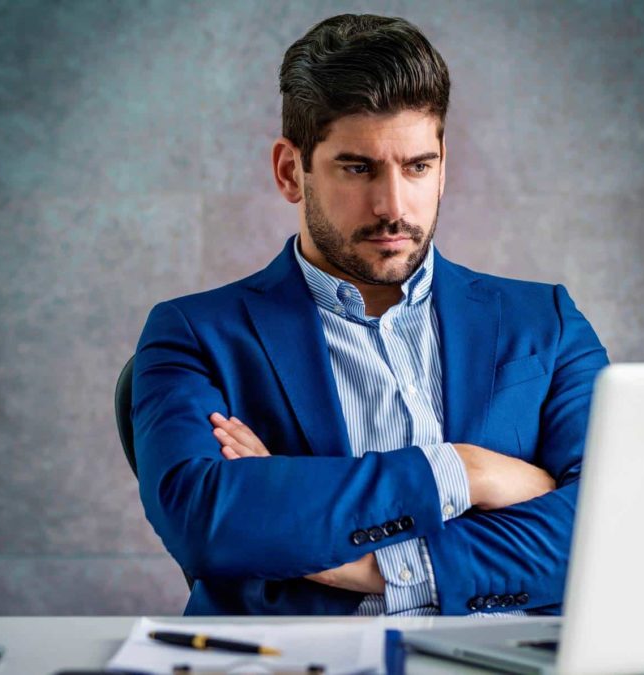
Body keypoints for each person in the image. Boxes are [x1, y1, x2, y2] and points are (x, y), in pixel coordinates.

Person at [132, 13, 609, 616]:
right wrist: (466, 471)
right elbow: (207, 520)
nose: (392, 207)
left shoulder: (547, 322)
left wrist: (358, 562)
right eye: (358, 168)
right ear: (290, 171)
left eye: (417, 167)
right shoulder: (195, 334)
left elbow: (613, 523)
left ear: (443, 165)